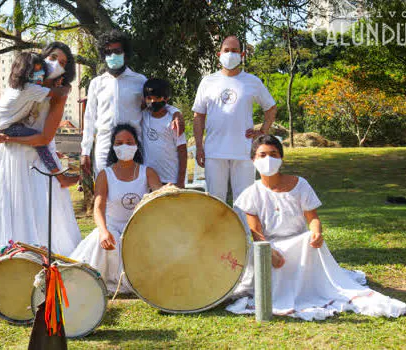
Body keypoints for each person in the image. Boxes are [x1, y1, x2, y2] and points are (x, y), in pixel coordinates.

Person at [226, 135, 406, 320]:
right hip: (270, 248)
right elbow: (256, 233)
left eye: (273, 154)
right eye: (262, 155)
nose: (268, 159)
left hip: (302, 246)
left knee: (307, 242)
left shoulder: (300, 184)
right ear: (253, 160)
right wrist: (269, 253)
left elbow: (313, 219)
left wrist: (317, 233)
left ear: (281, 158)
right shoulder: (251, 193)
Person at [0, 42, 81, 279]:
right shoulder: (25, 86)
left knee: (41, 207)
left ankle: (49, 265)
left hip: (38, 157)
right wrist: (1, 134)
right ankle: (5, 265)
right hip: (10, 156)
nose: (57, 64)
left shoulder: (55, 95)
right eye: (53, 57)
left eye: (63, 63)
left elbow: (45, 136)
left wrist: (7, 136)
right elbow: (6, 116)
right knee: (10, 206)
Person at [71, 124, 163, 293]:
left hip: (138, 228)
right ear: (113, 147)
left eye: (129, 142)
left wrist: (168, 190)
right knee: (104, 244)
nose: (125, 146)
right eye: (119, 143)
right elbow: (98, 207)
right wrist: (103, 231)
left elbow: (160, 194)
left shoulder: (147, 172)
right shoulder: (105, 174)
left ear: (136, 145)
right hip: (112, 227)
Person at [80, 30, 184, 178]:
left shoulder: (139, 80)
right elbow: (89, 118)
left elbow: (154, 103)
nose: (112, 56)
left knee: (135, 192)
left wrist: (175, 112)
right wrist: (85, 152)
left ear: (125, 53)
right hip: (105, 145)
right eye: (108, 52)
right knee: (105, 190)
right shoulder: (97, 83)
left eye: (117, 51)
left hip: (133, 145)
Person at [193, 35, 277, 203]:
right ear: (219, 54)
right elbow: (198, 115)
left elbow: (271, 107)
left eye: (235, 51)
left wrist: (262, 132)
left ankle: (244, 230)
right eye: (227, 50)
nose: (230, 54)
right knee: (215, 202)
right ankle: (217, 231)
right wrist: (199, 147)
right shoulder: (208, 81)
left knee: (244, 201)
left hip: (244, 151)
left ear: (242, 55)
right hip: (214, 152)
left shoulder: (252, 82)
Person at [0, 52, 68, 174]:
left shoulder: (19, 87)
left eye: (41, 70)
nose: (40, 75)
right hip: (6, 128)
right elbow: (58, 93)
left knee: (39, 141)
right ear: (24, 73)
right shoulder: (29, 88)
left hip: (4, 125)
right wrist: (64, 86)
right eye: (35, 72)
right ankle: (58, 174)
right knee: (39, 140)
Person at [141, 78, 187, 187]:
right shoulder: (143, 116)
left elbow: (182, 151)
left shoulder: (173, 122)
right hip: (149, 179)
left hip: (170, 178)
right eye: (149, 98)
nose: (153, 102)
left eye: (157, 98)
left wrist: (180, 180)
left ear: (166, 98)